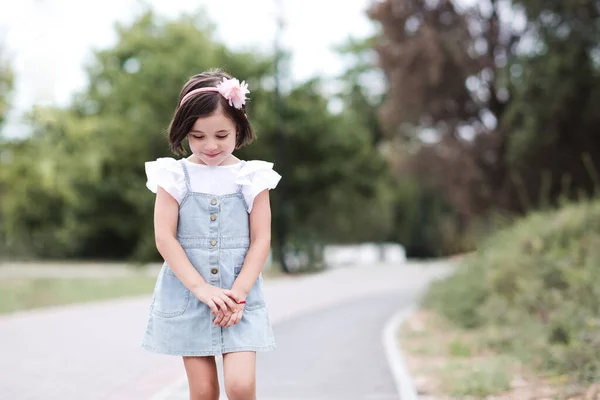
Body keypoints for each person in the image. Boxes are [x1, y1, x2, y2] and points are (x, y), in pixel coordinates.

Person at [141, 69, 280, 400]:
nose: (210, 145)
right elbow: (165, 237)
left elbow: (261, 239)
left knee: (241, 386)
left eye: (221, 134)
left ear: (238, 128)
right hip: (191, 296)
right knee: (203, 392)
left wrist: (239, 294)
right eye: (197, 136)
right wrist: (201, 288)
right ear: (184, 132)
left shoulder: (252, 176)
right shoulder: (173, 175)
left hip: (239, 297)